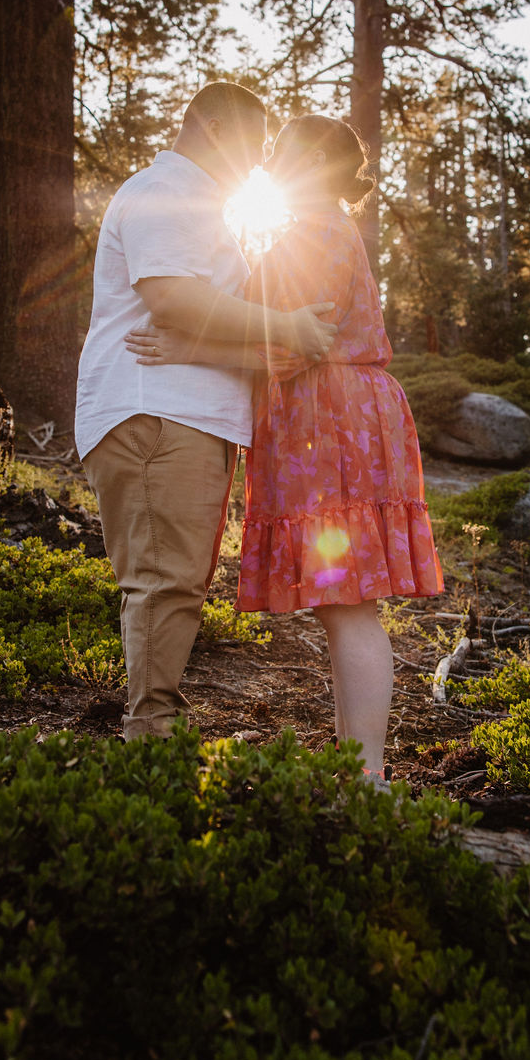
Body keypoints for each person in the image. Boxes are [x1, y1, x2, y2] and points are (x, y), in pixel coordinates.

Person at [127, 114, 444, 786]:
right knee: (344, 603)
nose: (267, 162)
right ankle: (358, 766)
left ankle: (368, 777)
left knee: (350, 602)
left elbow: (294, 340)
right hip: (334, 421)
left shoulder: (316, 233)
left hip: (332, 424)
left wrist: (189, 346)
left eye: (280, 153)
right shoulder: (321, 228)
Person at [75, 82, 338, 741]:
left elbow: (200, 321)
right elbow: (174, 298)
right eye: (253, 143)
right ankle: (151, 735)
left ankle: (154, 724)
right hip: (158, 413)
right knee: (166, 579)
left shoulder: (199, 209)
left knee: (176, 579)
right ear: (217, 128)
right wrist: (284, 327)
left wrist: (241, 340)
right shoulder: (170, 194)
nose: (258, 163)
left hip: (182, 414)